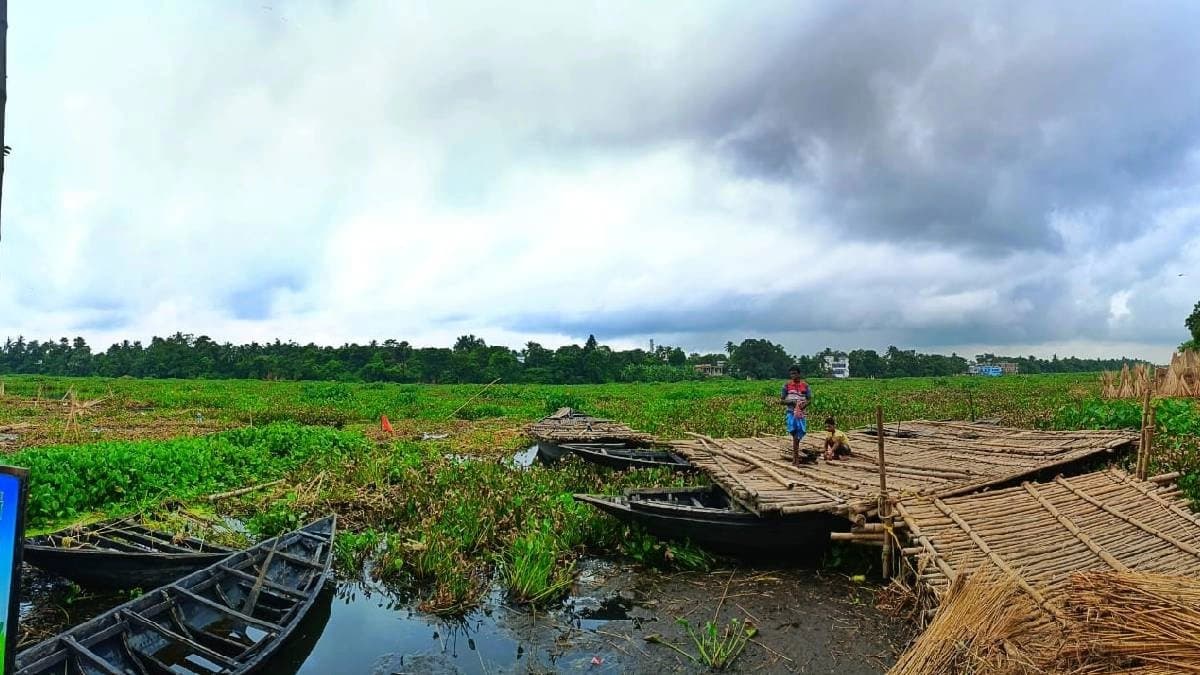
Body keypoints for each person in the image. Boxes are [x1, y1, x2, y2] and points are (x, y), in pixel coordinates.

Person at [780, 366, 813, 464]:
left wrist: (804, 405)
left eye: (795, 373)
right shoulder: (786, 386)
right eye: (791, 374)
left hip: (801, 414)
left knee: (799, 434)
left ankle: (795, 457)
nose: (793, 376)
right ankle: (796, 458)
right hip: (791, 413)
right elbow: (782, 400)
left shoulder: (805, 386)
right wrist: (792, 402)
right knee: (794, 434)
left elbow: (809, 399)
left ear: (799, 374)